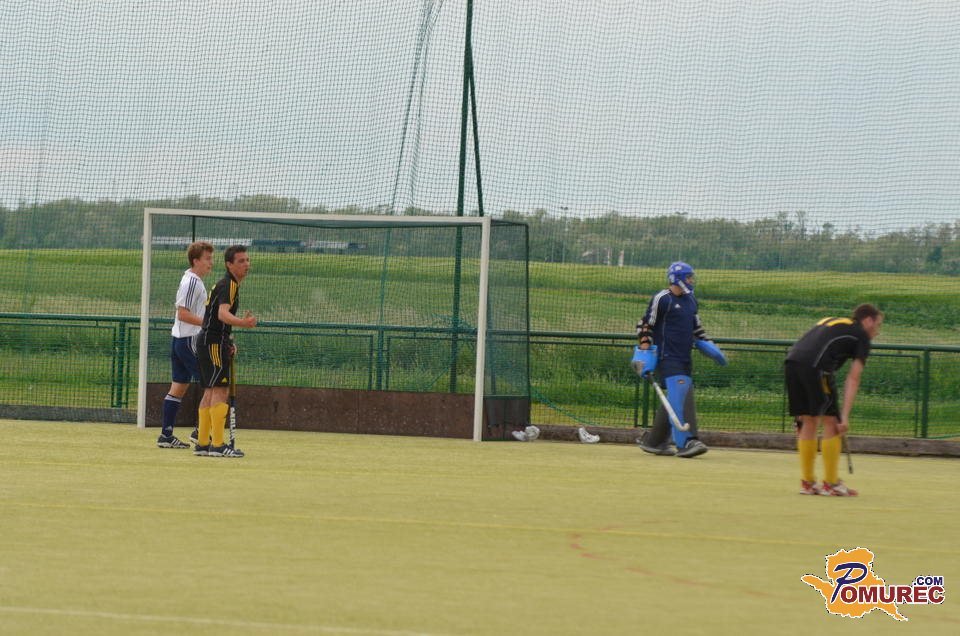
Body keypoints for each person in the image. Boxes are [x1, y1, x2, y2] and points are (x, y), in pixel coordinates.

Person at [785, 304, 883, 496]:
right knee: (832, 422)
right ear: (868, 321)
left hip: (792, 362)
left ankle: (808, 483)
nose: (877, 331)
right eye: (878, 325)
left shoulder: (833, 321)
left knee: (808, 420)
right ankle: (831, 484)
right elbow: (853, 378)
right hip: (817, 367)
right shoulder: (861, 336)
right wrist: (843, 417)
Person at [635, 262, 727, 458]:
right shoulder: (662, 299)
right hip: (667, 356)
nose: (692, 280)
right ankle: (687, 442)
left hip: (685, 357)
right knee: (681, 395)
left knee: (677, 396)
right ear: (677, 279)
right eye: (689, 277)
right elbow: (645, 324)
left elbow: (697, 329)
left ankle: (654, 441)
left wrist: (710, 346)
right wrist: (643, 351)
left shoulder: (691, 300)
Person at [194, 245, 257, 458]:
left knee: (210, 391)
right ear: (229, 265)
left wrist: (227, 340)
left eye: (247, 260)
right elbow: (222, 314)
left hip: (209, 341)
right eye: (241, 261)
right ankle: (218, 445)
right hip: (212, 342)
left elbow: (216, 319)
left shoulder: (226, 284)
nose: (246, 264)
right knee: (220, 390)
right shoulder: (229, 284)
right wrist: (243, 323)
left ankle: (203, 443)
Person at [157, 241, 214, 449]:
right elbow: (183, 313)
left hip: (180, 340)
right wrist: (209, 324)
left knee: (179, 387)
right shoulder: (192, 282)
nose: (211, 263)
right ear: (195, 260)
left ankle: (166, 435)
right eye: (207, 259)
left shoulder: (194, 281)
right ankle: (201, 433)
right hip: (189, 340)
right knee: (213, 384)